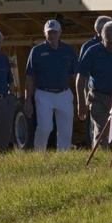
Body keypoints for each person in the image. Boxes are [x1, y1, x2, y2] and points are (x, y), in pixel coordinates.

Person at [25, 19, 78, 150]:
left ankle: (63, 156)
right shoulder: (37, 51)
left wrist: (80, 97)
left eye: (54, 32)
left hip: (64, 93)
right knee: (45, 127)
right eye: (49, 33)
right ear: (45, 33)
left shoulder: (68, 50)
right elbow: (30, 77)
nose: (52, 35)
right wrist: (28, 100)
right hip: (44, 94)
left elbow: (75, 75)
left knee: (66, 130)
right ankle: (39, 154)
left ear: (60, 33)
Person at [76, 21, 112, 148]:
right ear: (102, 38)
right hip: (98, 97)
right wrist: (81, 103)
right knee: (102, 132)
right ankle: (101, 157)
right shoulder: (92, 52)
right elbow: (80, 78)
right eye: (109, 42)